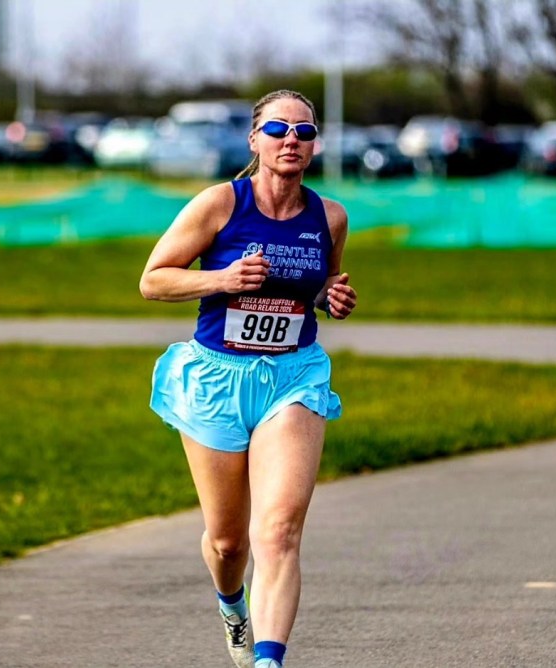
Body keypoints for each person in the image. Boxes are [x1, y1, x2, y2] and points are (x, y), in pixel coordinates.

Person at [140, 89, 357, 668]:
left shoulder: (330, 217)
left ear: (314, 145)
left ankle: (268, 659)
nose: (292, 140)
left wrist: (330, 296)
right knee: (229, 541)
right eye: (279, 130)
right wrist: (223, 279)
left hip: (293, 376)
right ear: (255, 140)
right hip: (218, 378)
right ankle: (232, 605)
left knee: (279, 530)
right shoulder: (219, 204)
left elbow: (319, 285)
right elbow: (153, 280)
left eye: (305, 132)